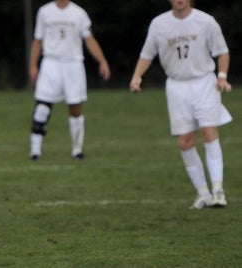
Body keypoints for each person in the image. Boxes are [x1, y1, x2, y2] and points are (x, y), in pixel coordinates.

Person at [129, 0, 232, 209]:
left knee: (209, 133)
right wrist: (137, 76)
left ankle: (218, 190)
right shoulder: (159, 24)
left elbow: (222, 51)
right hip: (177, 87)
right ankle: (203, 193)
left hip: (204, 82)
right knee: (185, 141)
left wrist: (221, 77)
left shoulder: (206, 21)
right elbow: (147, 54)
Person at [28, 0, 110, 161]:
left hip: (73, 63)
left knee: (75, 107)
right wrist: (33, 65)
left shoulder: (79, 13)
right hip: (51, 62)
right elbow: (38, 41)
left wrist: (102, 61)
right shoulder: (45, 11)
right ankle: (35, 151)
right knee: (42, 108)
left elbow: (89, 39)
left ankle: (77, 149)